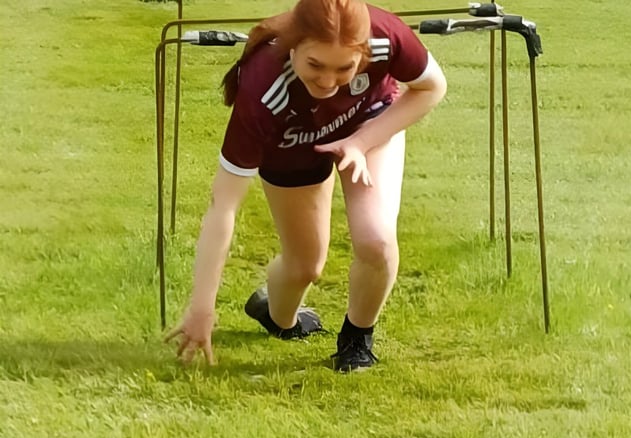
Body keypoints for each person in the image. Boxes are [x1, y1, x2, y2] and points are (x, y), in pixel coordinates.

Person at [164, 0, 447, 372]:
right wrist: (202, 307)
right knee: (305, 266)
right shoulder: (263, 88)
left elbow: (431, 88)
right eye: (315, 65)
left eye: (345, 68)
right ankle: (278, 317)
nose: (328, 82)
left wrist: (360, 143)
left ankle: (356, 340)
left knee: (375, 240)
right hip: (292, 144)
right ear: (294, 47)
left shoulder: (384, 36)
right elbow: (223, 206)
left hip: (369, 123)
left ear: (363, 52)